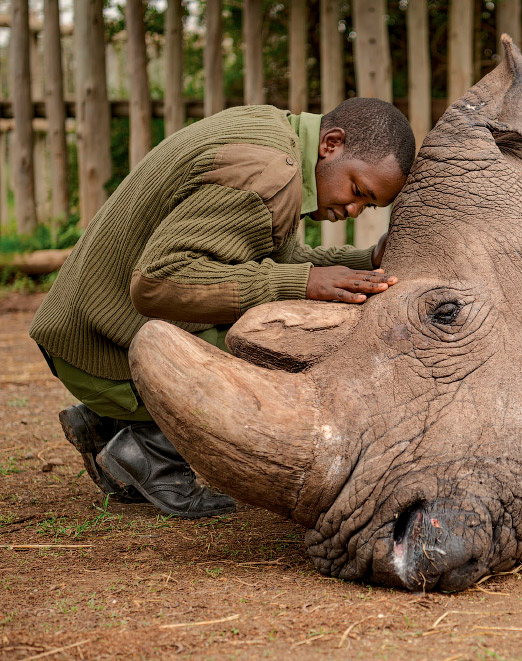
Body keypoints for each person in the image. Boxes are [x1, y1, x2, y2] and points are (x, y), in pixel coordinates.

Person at [30, 98, 416, 518]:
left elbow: (267, 258)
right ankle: (147, 447)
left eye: (369, 206)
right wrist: (301, 284)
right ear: (332, 144)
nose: (353, 210)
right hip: (100, 352)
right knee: (289, 348)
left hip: (83, 331)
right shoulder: (267, 174)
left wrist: (365, 262)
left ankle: (110, 423)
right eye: (358, 190)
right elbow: (157, 283)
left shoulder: (274, 134)